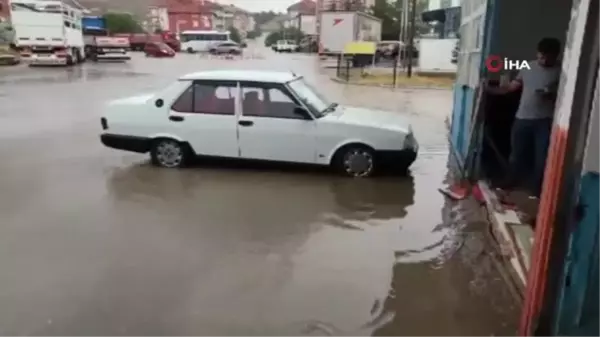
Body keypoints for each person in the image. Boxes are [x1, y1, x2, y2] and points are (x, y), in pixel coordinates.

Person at [487, 37, 562, 198]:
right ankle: (510, 183)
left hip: (544, 121)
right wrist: (490, 90)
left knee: (541, 158)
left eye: (548, 57)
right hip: (522, 118)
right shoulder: (527, 66)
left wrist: (551, 94)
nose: (543, 60)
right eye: (541, 56)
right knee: (516, 154)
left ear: (556, 56)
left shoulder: (561, 71)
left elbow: (565, 98)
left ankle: (536, 191)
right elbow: (512, 87)